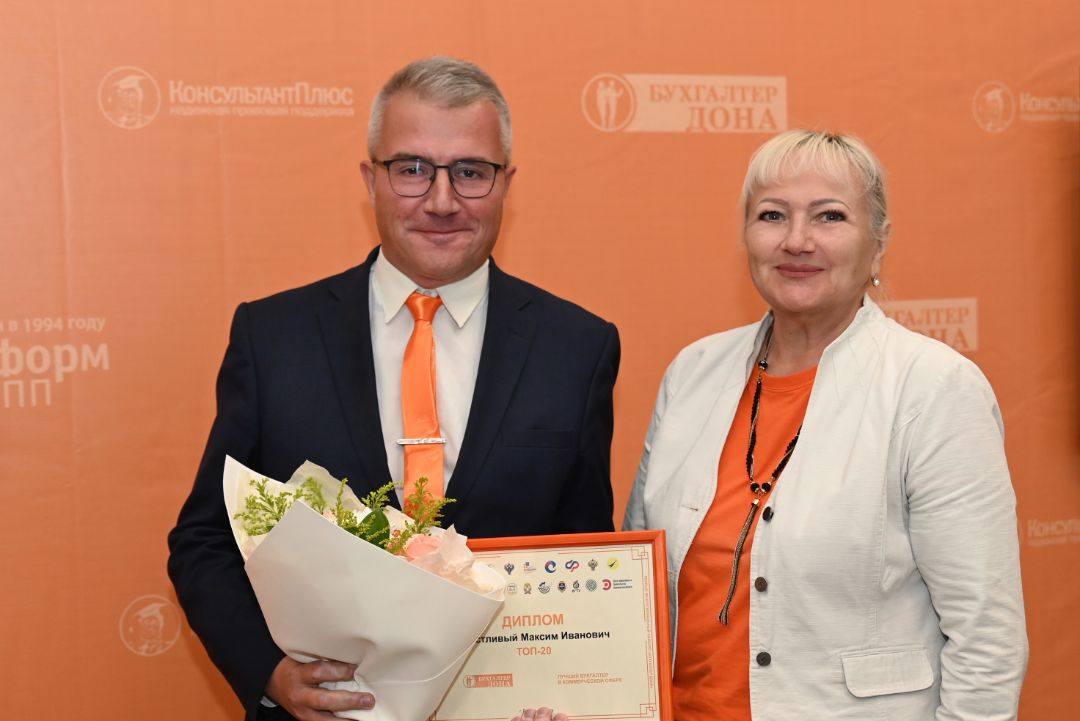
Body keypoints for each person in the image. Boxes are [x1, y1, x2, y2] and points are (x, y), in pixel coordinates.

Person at [168, 56, 620, 721]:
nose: (441, 201)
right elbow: (206, 539)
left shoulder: (577, 347)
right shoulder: (274, 337)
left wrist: (578, 690)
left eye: (471, 171)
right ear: (370, 178)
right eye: (411, 169)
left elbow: (585, 556)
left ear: (506, 183)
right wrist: (271, 674)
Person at [621, 129, 1027, 720]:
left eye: (829, 216)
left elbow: (987, 639)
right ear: (747, 237)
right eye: (772, 215)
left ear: (878, 245)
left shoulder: (934, 388)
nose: (796, 240)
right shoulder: (692, 373)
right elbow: (638, 587)